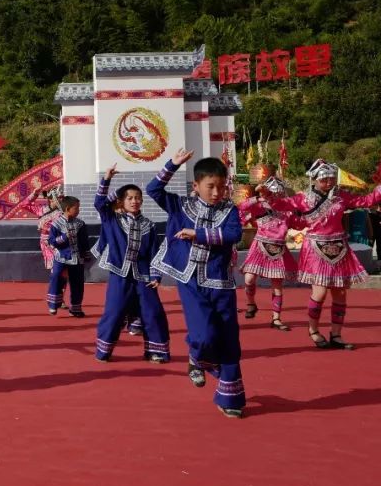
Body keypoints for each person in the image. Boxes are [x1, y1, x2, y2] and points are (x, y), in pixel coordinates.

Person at [147, 149, 245, 418]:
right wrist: (172, 165)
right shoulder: (180, 206)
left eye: (221, 187)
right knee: (202, 335)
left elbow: (234, 234)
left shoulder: (229, 210)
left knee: (228, 339)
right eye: (210, 186)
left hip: (221, 281)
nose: (216, 192)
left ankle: (230, 398)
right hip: (190, 280)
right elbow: (153, 189)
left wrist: (198, 234)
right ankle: (196, 357)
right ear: (196, 186)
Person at [267, 159, 381, 350]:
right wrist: (267, 194)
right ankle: (313, 329)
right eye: (324, 179)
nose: (329, 182)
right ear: (314, 179)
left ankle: (336, 334)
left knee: (340, 293)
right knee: (319, 293)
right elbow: (280, 205)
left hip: (338, 247)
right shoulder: (303, 198)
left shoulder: (341, 196)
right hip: (316, 249)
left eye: (331, 178)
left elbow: (366, 201)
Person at [93, 165, 169, 363]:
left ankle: (156, 352)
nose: (135, 201)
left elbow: (154, 252)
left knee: (153, 312)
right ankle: (104, 351)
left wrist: (156, 276)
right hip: (120, 274)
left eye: (138, 198)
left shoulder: (149, 225)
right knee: (114, 312)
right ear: (122, 201)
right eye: (130, 198)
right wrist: (107, 179)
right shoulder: (112, 220)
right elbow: (100, 203)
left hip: (144, 276)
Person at [237, 176, 306, 331]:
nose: (274, 196)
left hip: (278, 248)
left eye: (277, 193)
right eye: (271, 192)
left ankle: (276, 318)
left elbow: (300, 224)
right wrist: (257, 197)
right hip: (260, 245)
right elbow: (241, 207)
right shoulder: (259, 206)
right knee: (249, 279)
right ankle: (251, 303)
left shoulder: (287, 210)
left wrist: (306, 213)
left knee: (277, 286)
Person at [46, 196, 90, 317]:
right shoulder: (56, 224)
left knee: (78, 283)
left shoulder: (80, 224)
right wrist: (64, 237)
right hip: (61, 257)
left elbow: (84, 241)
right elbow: (52, 241)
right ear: (67, 208)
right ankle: (53, 304)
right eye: (76, 208)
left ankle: (76, 308)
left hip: (77, 258)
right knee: (56, 278)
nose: (78, 211)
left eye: (78, 208)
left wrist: (86, 254)